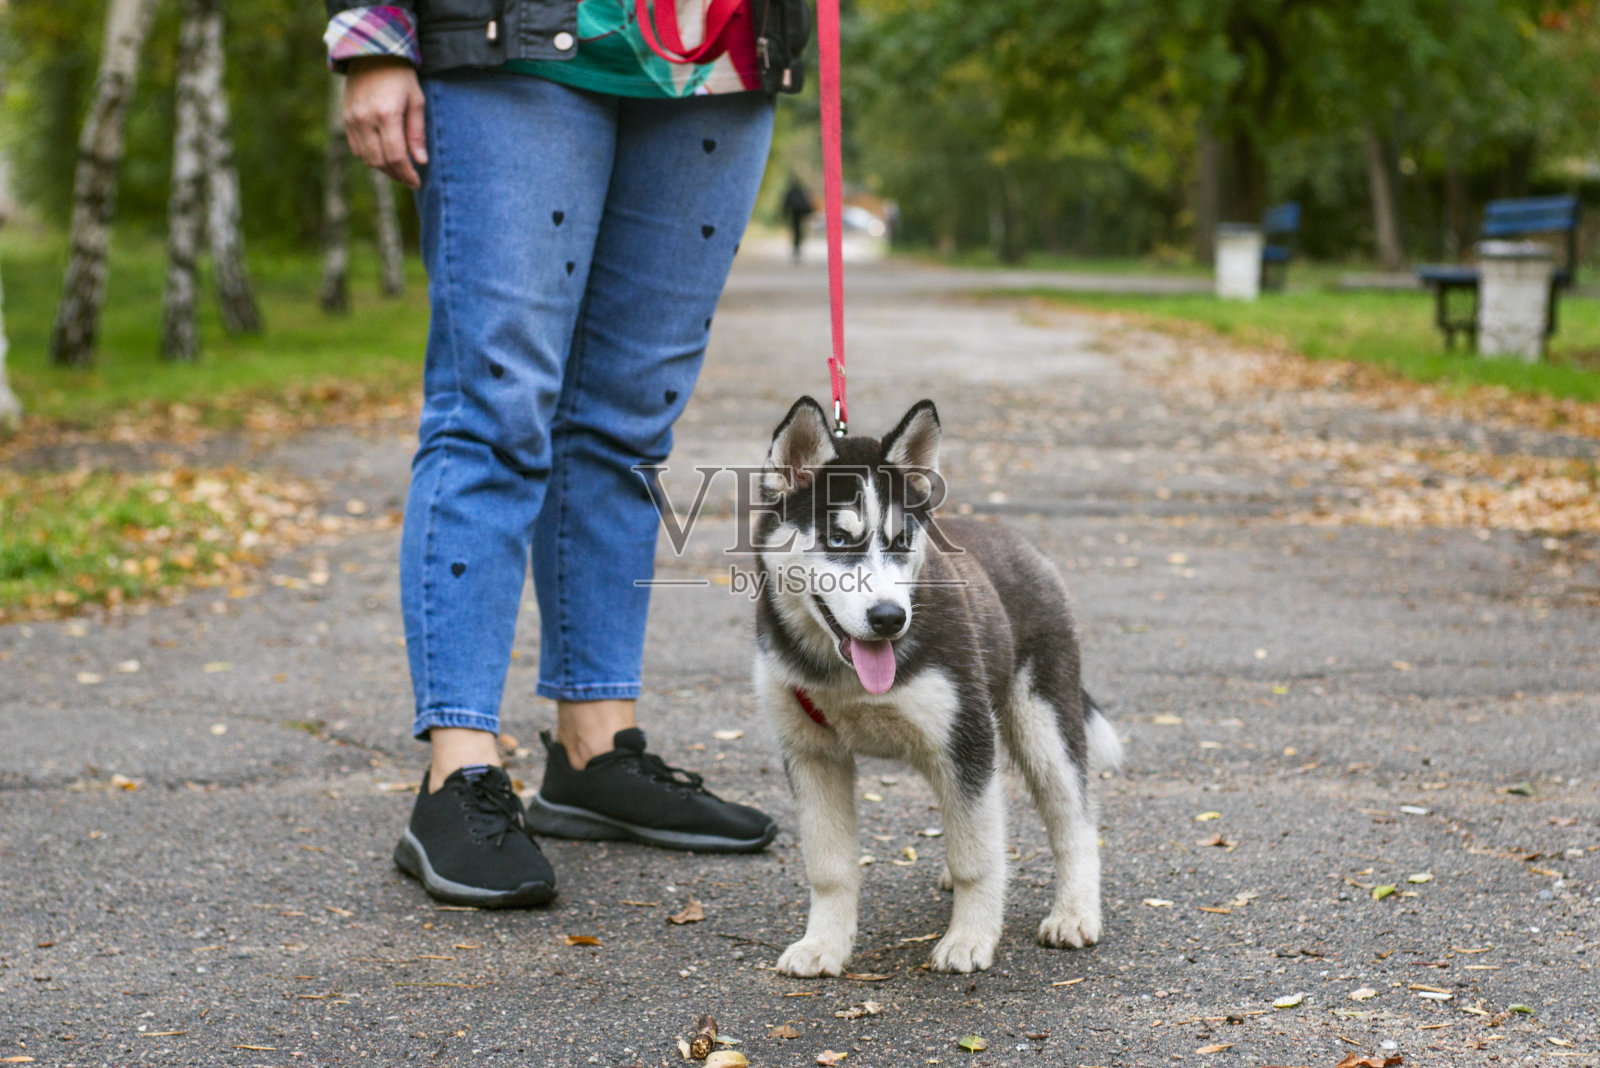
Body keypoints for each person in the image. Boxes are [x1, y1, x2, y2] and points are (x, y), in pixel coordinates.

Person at [323, 0, 810, 907]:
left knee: (631, 421)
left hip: (719, 54)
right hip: (514, 39)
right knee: (494, 410)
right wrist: (375, 38)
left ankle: (594, 748)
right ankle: (458, 772)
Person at [782, 175, 813, 263]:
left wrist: (784, 215)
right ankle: (798, 247)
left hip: (794, 215)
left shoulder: (791, 192)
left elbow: (786, 204)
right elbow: (808, 204)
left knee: (796, 231)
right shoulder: (802, 192)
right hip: (802, 216)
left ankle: (796, 247)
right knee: (800, 232)